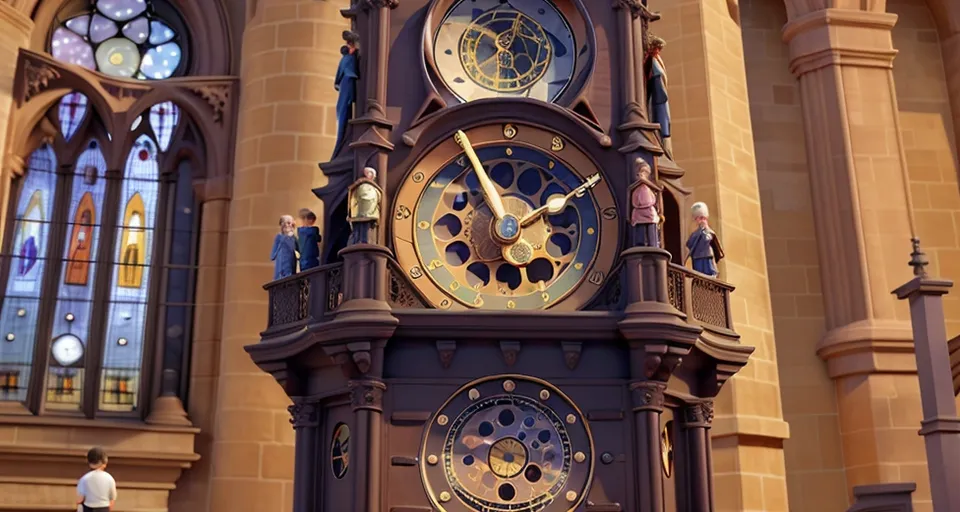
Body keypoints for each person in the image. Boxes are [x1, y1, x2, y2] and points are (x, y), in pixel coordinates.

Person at [684, 202, 724, 277]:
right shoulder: (695, 233)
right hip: (697, 256)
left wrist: (705, 230)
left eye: (702, 218)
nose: (701, 220)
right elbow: (689, 243)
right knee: (698, 271)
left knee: (709, 269)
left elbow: (708, 239)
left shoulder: (709, 231)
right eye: (699, 218)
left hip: (707, 254)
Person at [630, 158, 662, 248]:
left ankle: (653, 244)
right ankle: (640, 244)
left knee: (651, 228)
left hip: (649, 210)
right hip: (638, 210)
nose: (643, 174)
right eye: (641, 172)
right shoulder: (635, 187)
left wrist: (660, 212)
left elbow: (659, 190)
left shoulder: (649, 186)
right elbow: (629, 192)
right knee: (640, 230)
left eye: (645, 172)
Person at [76, 446, 117, 512]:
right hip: (104, 508)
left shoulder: (84, 479)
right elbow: (112, 500)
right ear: (104, 462)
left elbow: (80, 499)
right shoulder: (109, 478)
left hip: (88, 509)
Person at [271, 215, 299, 280]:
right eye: (288, 223)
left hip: (291, 262)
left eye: (291, 223)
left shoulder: (293, 237)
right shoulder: (279, 236)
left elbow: (298, 249)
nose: (290, 225)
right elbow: (274, 252)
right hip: (281, 263)